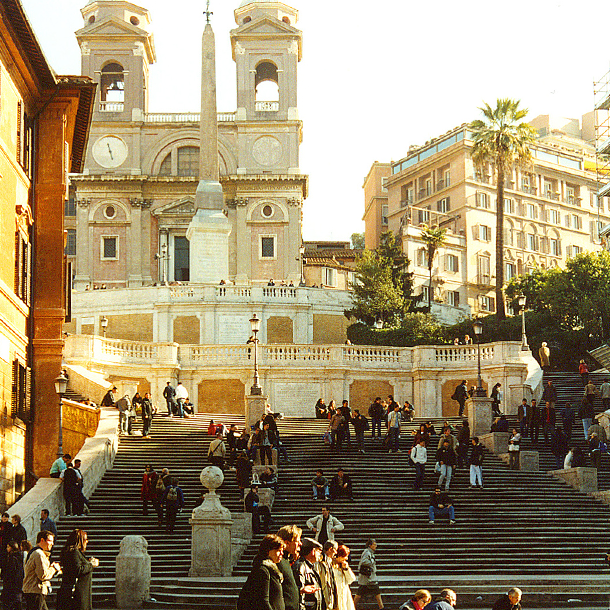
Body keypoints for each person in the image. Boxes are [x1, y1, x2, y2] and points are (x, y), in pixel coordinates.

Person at [237, 534, 286, 610]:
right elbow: (263, 601)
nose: (282, 554)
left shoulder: (272, 569)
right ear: (268, 551)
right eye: (278, 550)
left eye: (282, 551)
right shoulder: (262, 571)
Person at [57, 529, 98, 610]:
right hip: (77, 594)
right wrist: (91, 565)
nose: (87, 541)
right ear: (80, 540)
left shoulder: (72, 552)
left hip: (75, 592)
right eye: (85, 539)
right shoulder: (74, 552)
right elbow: (78, 570)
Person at [22, 530, 61, 610]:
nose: (52, 544)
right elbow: (43, 575)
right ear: (42, 540)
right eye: (50, 541)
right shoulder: (39, 554)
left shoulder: (34, 552)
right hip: (36, 591)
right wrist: (54, 568)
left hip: (33, 590)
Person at [276, 525, 303, 610]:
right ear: (287, 543)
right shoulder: (278, 562)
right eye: (297, 541)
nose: (300, 544)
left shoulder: (286, 560)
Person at [293, 538, 324, 610]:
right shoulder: (301, 567)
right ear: (313, 551)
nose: (320, 555)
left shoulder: (309, 566)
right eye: (318, 551)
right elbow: (300, 594)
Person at [354, 539, 383, 610]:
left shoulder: (370, 552)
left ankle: (381, 607)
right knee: (359, 593)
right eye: (374, 544)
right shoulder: (367, 552)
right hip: (367, 577)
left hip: (369, 577)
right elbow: (364, 562)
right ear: (370, 545)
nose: (376, 546)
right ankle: (352, 606)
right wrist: (372, 562)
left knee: (376, 592)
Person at [332, 544, 356, 610]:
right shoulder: (331, 565)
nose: (346, 559)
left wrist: (346, 569)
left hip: (344, 594)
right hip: (336, 595)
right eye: (344, 557)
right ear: (339, 556)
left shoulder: (343, 566)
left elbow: (351, 579)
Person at [2, 541, 24, 610]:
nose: (7, 549)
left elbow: (11, 572)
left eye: (8, 547)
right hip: (17, 584)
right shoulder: (18, 556)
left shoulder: (12, 558)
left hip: (12, 585)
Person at [316, 541, 337, 610]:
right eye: (335, 550)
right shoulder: (320, 562)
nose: (336, 552)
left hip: (330, 595)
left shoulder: (330, 562)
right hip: (323, 595)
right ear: (330, 549)